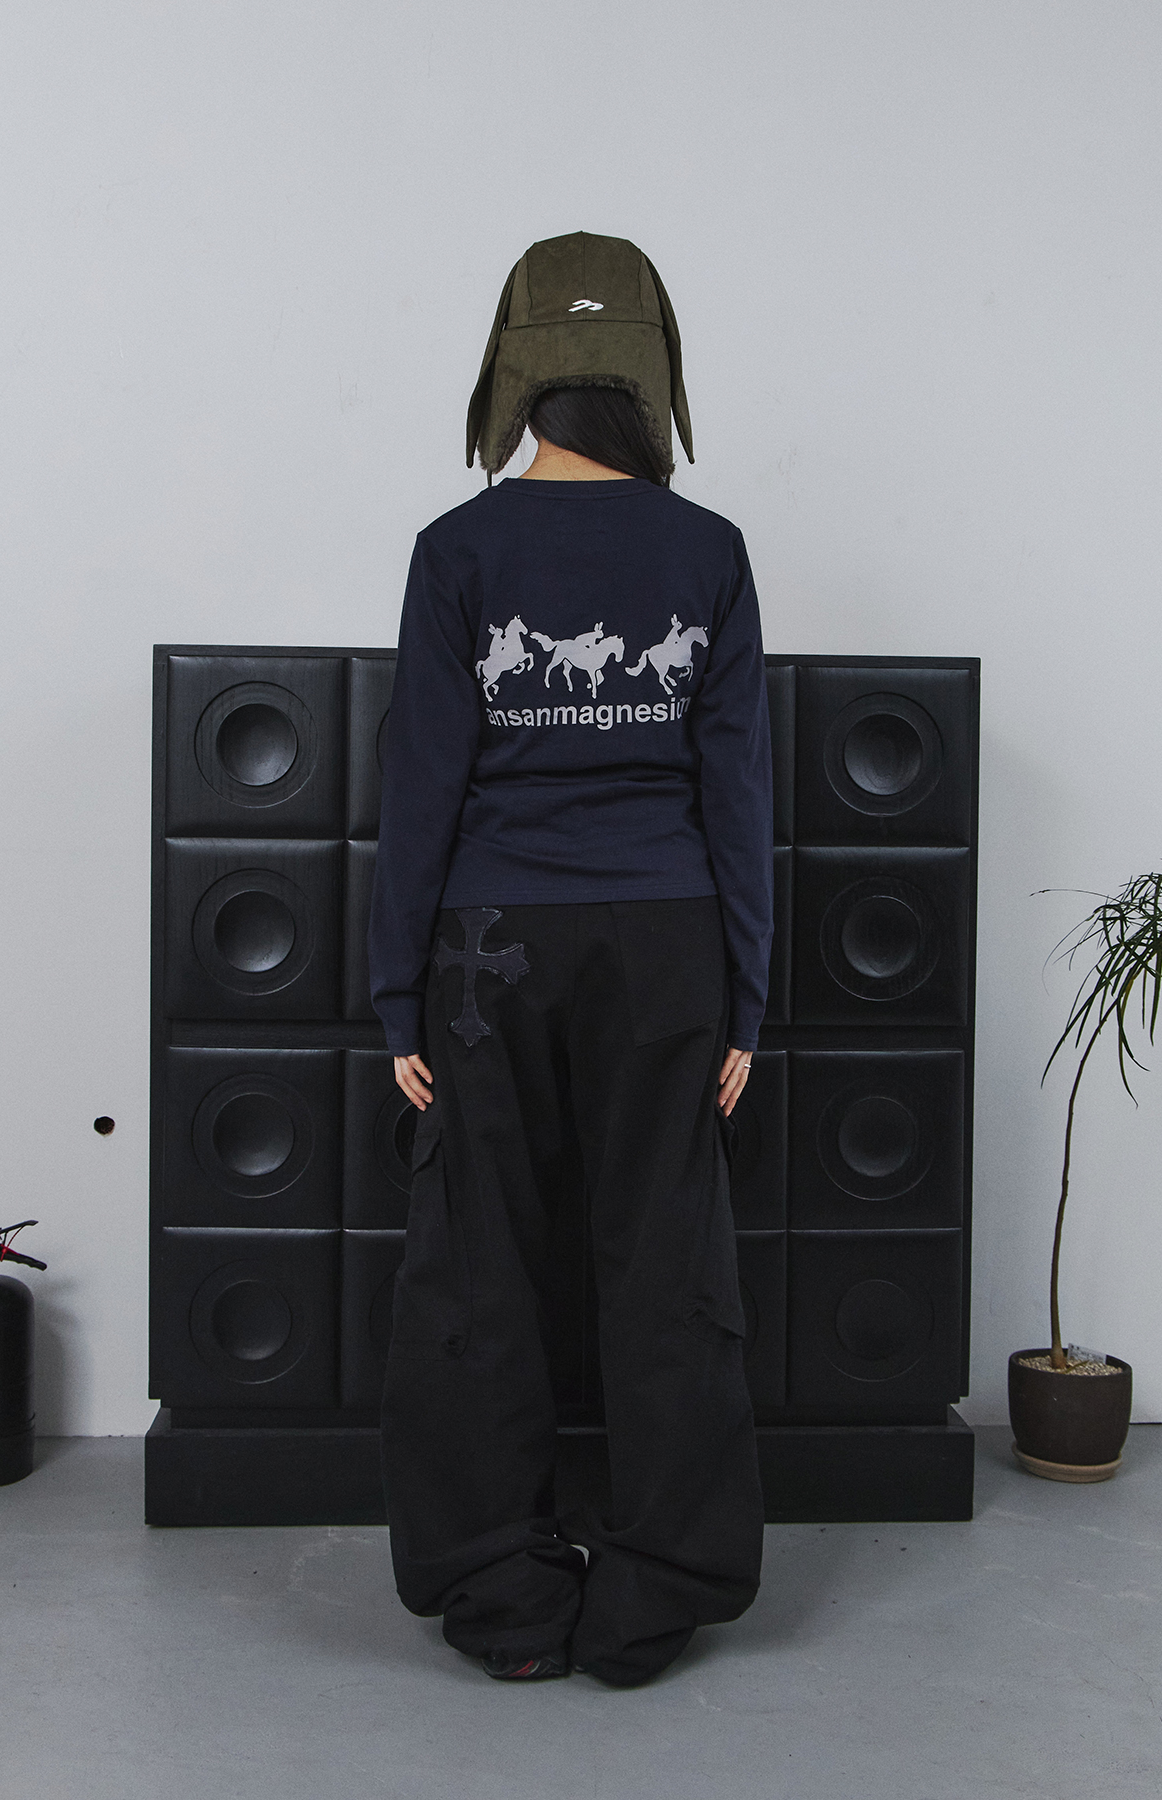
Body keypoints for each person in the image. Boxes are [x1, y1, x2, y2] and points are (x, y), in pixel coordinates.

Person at [367, 231, 773, 1688]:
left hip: (490, 948)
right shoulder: (708, 551)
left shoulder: (457, 550)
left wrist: (398, 997)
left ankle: (501, 1595)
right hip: (666, 943)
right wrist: (746, 997)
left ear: (514, 371)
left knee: (478, 1267)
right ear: (653, 376)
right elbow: (736, 791)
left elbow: (421, 788)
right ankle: (654, 1597)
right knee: (667, 1265)